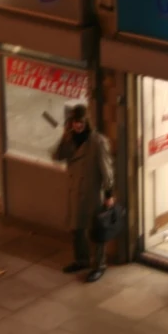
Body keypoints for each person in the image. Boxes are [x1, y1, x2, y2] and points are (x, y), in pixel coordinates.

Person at [53, 104, 115, 283]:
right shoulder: (71, 139)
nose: (77, 126)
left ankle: (99, 265)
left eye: (80, 122)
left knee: (96, 231)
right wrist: (65, 137)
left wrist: (109, 193)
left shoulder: (97, 142)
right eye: (74, 122)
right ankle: (81, 260)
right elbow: (58, 156)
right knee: (77, 229)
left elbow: (106, 168)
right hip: (75, 192)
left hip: (92, 193)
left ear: (86, 122)